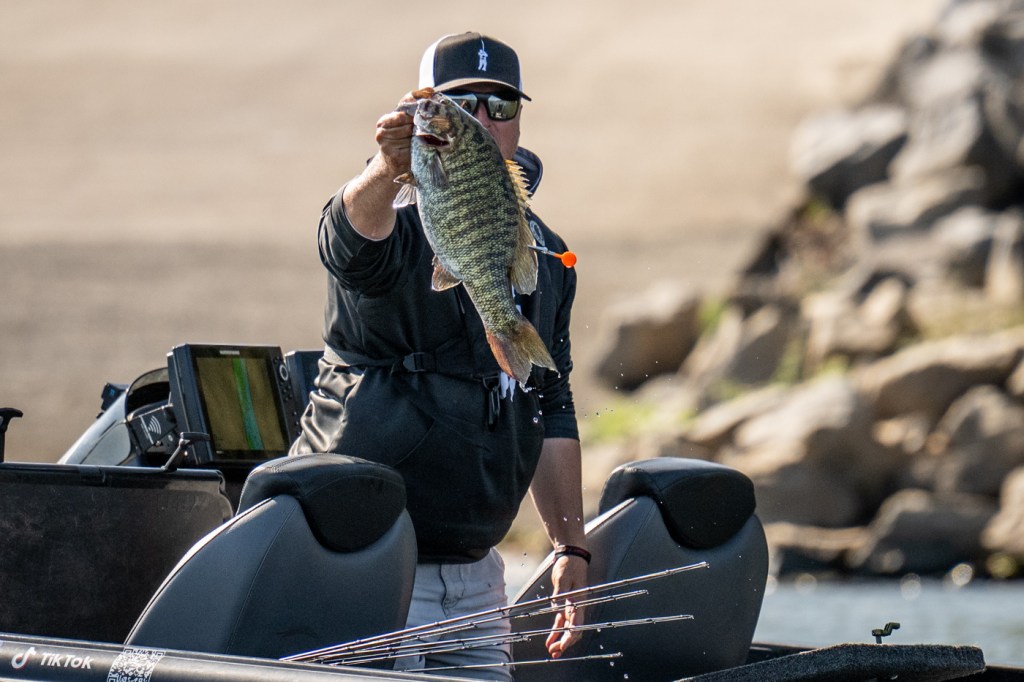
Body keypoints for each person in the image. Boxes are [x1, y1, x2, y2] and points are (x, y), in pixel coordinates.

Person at [290, 31, 587, 680]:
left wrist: (571, 546)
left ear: (518, 122)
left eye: (500, 105)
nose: (482, 117)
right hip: (362, 556)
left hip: (478, 577)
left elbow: (551, 403)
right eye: (460, 103)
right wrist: (386, 168)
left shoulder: (544, 251)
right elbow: (344, 243)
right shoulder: (389, 215)